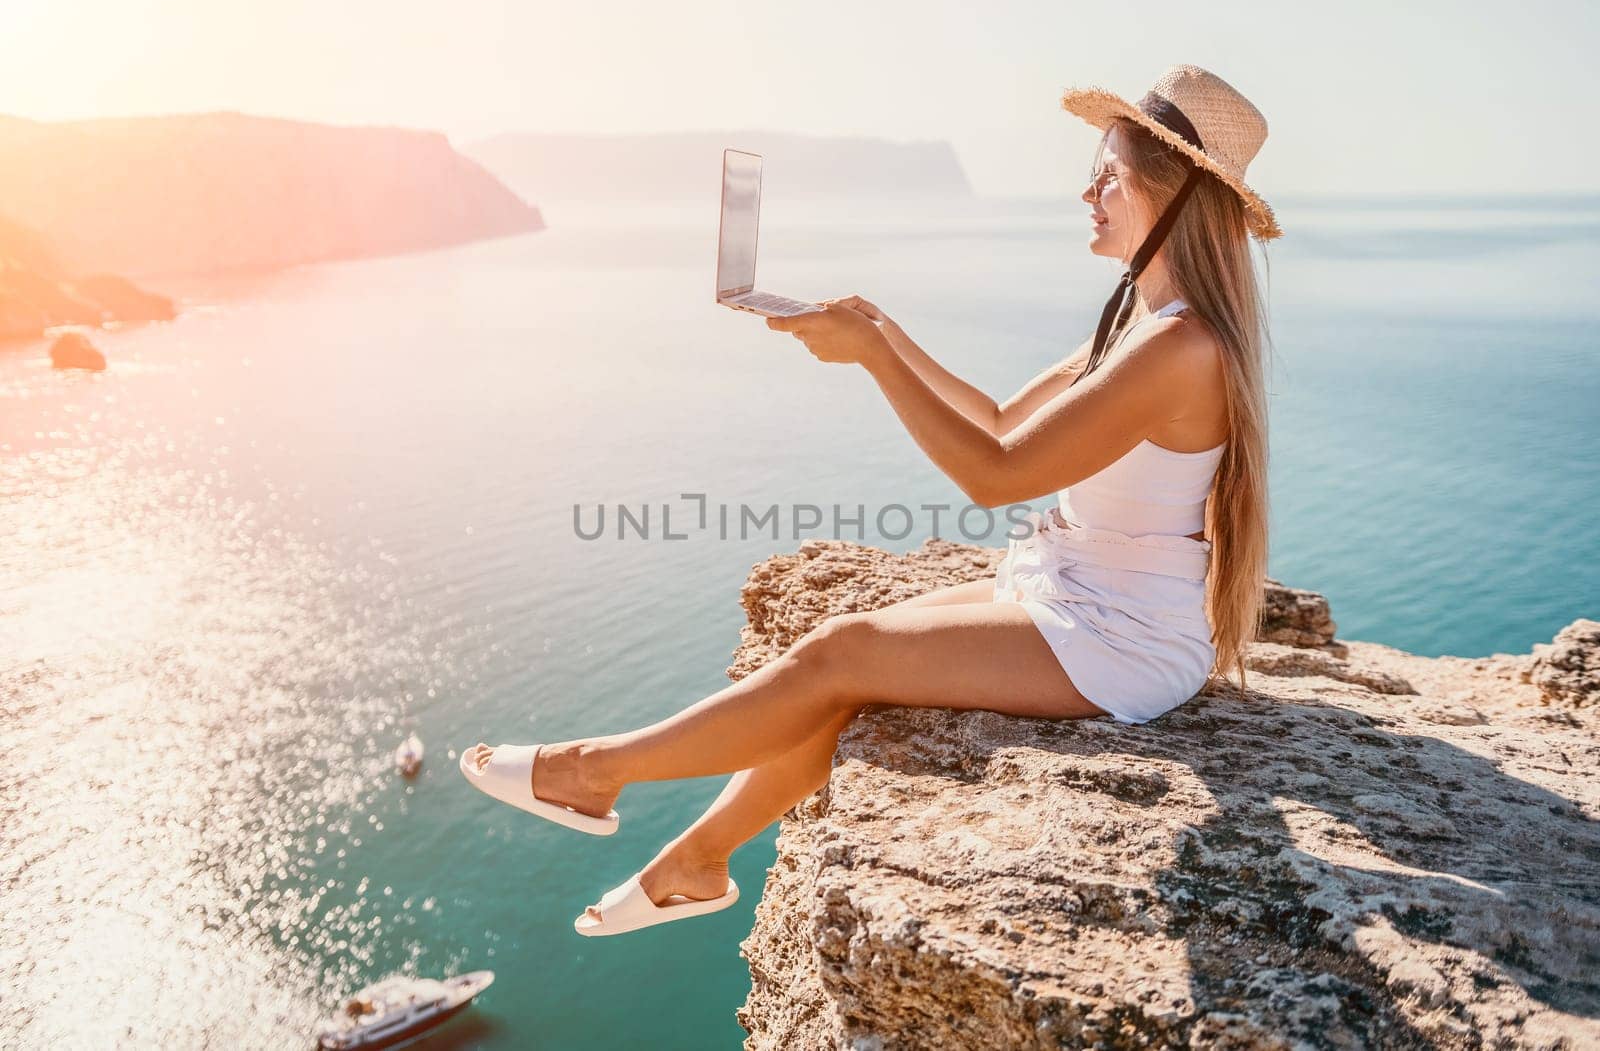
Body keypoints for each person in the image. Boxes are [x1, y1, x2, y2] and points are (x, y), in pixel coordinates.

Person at [462, 64, 1280, 936]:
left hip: (1122, 638)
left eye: (1107, 174)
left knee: (843, 651)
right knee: (846, 661)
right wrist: (882, 332)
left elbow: (996, 474)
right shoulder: (1143, 324)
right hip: (1077, 591)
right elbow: (1001, 416)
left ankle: (596, 770)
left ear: (1169, 193)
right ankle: (697, 861)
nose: (1086, 191)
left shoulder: (1181, 347)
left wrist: (874, 358)